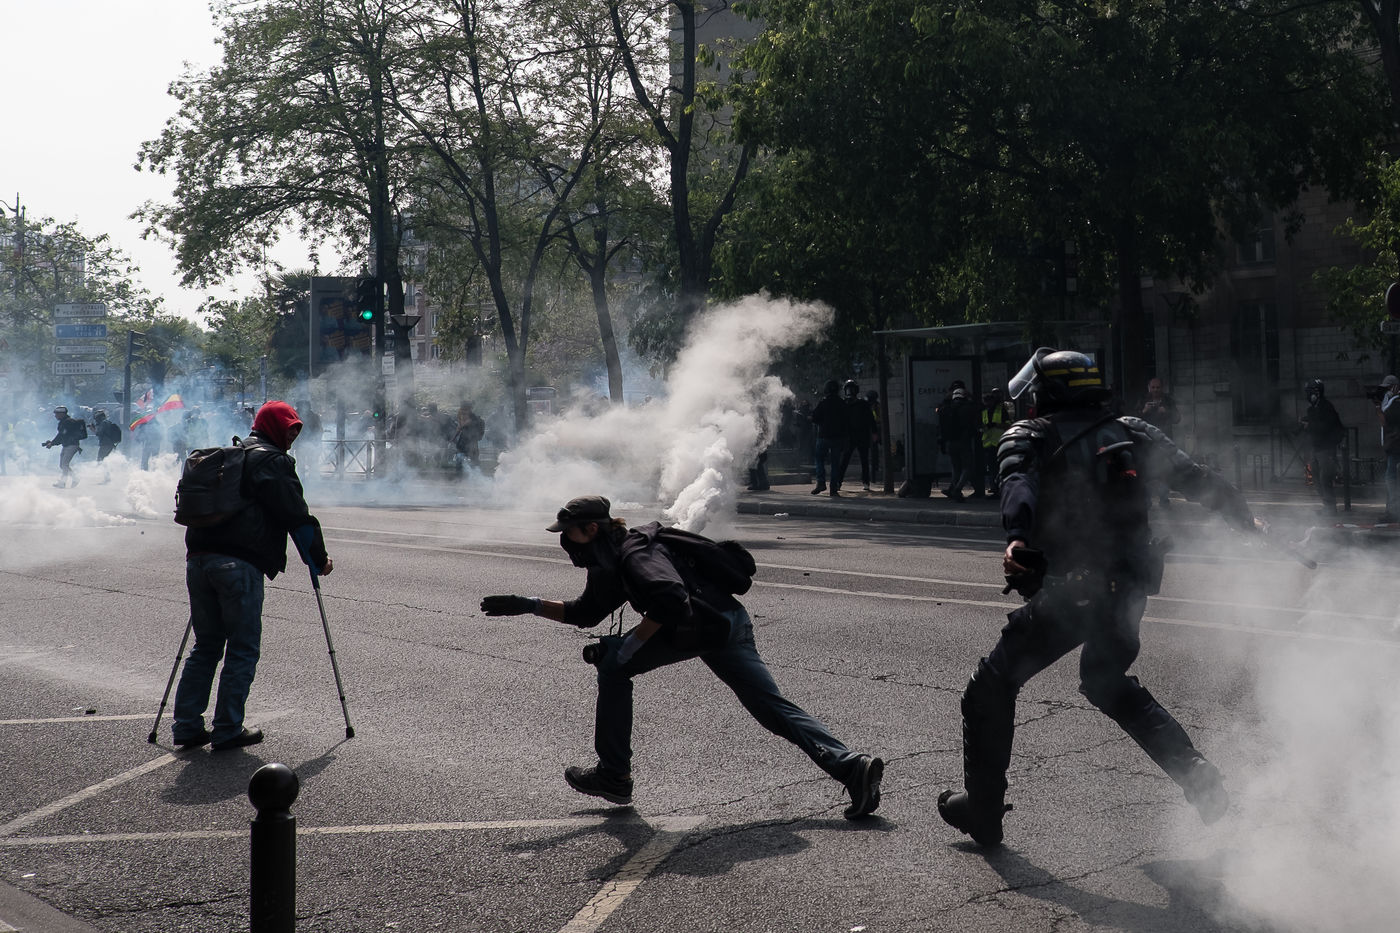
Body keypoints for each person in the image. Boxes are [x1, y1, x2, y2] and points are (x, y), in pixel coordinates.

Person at [937, 348, 1255, 847]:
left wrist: (1016, 537)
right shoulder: (1133, 430)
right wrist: (1246, 518)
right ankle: (1195, 772)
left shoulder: (1029, 434)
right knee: (1105, 681)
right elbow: (1196, 478)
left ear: (1049, 392)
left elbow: (1017, 483)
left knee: (991, 687)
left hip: (1076, 589)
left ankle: (983, 810)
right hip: (1130, 585)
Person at [480, 496, 884, 819]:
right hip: (724, 623)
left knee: (613, 669)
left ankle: (614, 775)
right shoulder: (609, 561)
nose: (565, 542)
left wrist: (629, 648)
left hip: (702, 626)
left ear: (592, 529)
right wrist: (530, 605)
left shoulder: (635, 554)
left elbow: (671, 599)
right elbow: (586, 612)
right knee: (771, 708)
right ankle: (851, 766)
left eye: (570, 534)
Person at [170, 401, 333, 752]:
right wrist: (317, 559)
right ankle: (228, 728)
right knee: (242, 648)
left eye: (297, 429)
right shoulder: (272, 461)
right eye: (289, 428)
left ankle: (186, 725)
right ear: (273, 427)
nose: (293, 436)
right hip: (238, 563)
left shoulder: (231, 456)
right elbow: (296, 515)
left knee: (206, 645)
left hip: (199, 559)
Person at [1300, 378, 1345, 515]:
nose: (1308, 395)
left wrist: (1310, 425)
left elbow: (1326, 426)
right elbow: (1314, 424)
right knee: (1316, 477)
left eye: (1310, 392)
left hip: (1326, 448)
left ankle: (1331, 508)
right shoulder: (1312, 409)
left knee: (1325, 478)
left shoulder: (1326, 407)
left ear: (1316, 393)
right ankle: (1327, 506)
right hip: (1316, 447)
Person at [837, 380, 878, 492]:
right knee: (845, 460)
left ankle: (865, 482)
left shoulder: (862, 404)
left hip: (861, 435)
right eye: (848, 389)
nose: (850, 391)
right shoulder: (844, 404)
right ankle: (838, 482)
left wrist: (874, 432)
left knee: (863, 460)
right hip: (850, 436)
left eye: (852, 389)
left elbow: (871, 419)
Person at [938, 382, 976, 500]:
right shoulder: (967, 407)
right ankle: (957, 489)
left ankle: (954, 489)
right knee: (967, 467)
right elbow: (978, 409)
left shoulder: (946, 408)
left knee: (955, 468)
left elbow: (940, 417)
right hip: (964, 442)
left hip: (951, 442)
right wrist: (971, 397)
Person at [810, 380, 847, 497]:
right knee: (835, 464)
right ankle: (833, 489)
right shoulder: (842, 403)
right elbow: (846, 421)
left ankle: (821, 482)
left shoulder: (823, 402)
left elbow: (814, 418)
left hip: (823, 436)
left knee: (819, 459)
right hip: (838, 437)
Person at [975, 388, 1012, 498]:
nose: (987, 404)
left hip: (999, 443)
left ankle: (999, 489)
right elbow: (981, 426)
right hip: (989, 444)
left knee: (998, 468)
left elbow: (1008, 425)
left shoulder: (1001, 410)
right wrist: (983, 427)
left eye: (988, 401)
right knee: (992, 468)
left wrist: (995, 424)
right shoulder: (984, 412)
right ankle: (995, 489)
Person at [43, 406, 87, 488]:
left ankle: (64, 482)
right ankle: (71, 480)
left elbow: (61, 435)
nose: (55, 416)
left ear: (62, 414)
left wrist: (52, 443)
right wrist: (52, 442)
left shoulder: (68, 422)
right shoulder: (65, 422)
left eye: (57, 414)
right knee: (62, 465)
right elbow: (62, 436)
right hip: (67, 445)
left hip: (71, 445)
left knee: (64, 464)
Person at [1378, 375, 1400, 522]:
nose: (1386, 391)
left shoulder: (1396, 402)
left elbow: (1385, 421)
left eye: (1388, 388)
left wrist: (1377, 408)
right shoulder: (1390, 402)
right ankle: (1391, 510)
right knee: (1390, 479)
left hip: (1396, 447)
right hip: (1392, 447)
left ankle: (1393, 512)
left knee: (1391, 479)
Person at [453, 402, 486, 468]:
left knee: (473, 460)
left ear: (468, 409)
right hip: (464, 441)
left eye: (464, 409)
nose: (462, 411)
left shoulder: (474, 418)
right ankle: (461, 470)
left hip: (471, 442)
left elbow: (461, 427)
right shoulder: (462, 415)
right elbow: (459, 428)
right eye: (462, 409)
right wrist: (453, 438)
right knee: (460, 459)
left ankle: (475, 471)